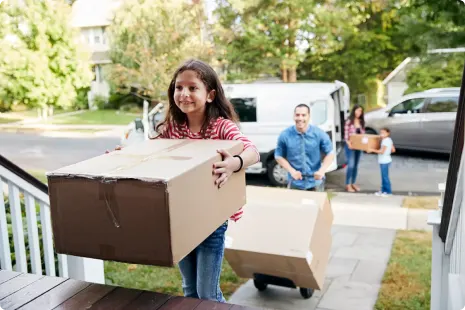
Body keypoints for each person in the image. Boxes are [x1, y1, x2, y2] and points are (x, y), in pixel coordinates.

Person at [111, 59, 260, 302]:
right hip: (180, 220)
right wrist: (122, 156)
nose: (184, 94)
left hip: (211, 221)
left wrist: (235, 163)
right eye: (179, 88)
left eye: (192, 88)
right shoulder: (173, 129)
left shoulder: (221, 127)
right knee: (189, 290)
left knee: (207, 293)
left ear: (210, 95)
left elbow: (252, 151)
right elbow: (150, 154)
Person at [275, 103, 334, 191]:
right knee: (294, 205)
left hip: (315, 182)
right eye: (297, 115)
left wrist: (322, 170)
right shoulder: (285, 135)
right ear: (293, 116)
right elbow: (278, 156)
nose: (300, 118)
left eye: (303, 115)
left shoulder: (319, 134)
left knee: (317, 205)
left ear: (309, 116)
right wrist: (292, 171)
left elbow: (330, 153)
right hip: (295, 182)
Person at [368, 127, 395, 197]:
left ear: (388, 133)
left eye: (383, 133)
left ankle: (388, 191)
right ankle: (383, 190)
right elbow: (393, 150)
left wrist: (372, 150)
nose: (382, 134)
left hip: (384, 161)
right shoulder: (389, 140)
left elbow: (382, 151)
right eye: (381, 133)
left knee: (385, 177)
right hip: (387, 159)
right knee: (384, 176)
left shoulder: (385, 141)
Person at [344, 104, 365, 192]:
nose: (358, 113)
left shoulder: (361, 121)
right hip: (350, 146)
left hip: (358, 146)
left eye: (360, 111)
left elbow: (363, 135)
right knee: (351, 165)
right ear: (354, 111)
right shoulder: (349, 121)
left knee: (356, 166)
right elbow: (345, 135)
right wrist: (348, 143)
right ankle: (348, 184)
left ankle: (353, 183)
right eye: (357, 110)